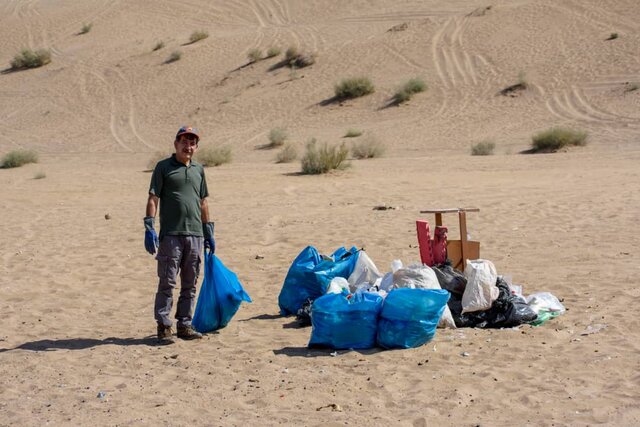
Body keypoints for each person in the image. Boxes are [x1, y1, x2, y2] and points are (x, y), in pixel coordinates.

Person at [144, 125, 216, 344]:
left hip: (195, 235)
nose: (188, 146)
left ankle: (185, 325)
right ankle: (164, 327)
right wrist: (149, 227)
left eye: (192, 143)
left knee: (190, 283)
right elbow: (153, 198)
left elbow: (203, 202)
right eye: (184, 141)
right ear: (176, 144)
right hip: (171, 235)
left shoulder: (198, 170)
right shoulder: (163, 167)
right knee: (167, 282)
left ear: (196, 147)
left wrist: (208, 231)